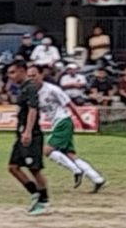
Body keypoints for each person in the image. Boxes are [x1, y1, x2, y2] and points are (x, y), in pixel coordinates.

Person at [27, 65, 106, 193]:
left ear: (41, 75)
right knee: (70, 155)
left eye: (34, 75)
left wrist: (82, 121)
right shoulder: (32, 92)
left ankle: (76, 170)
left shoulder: (52, 89)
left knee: (46, 150)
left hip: (63, 121)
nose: (31, 78)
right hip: (57, 123)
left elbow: (70, 104)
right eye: (29, 76)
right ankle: (97, 179)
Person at [6, 61, 50, 215]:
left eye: (12, 72)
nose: (10, 76)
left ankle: (43, 201)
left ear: (21, 71)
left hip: (31, 134)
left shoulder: (30, 87)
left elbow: (33, 109)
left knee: (34, 169)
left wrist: (28, 131)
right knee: (13, 167)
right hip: (21, 133)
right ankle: (35, 193)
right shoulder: (22, 88)